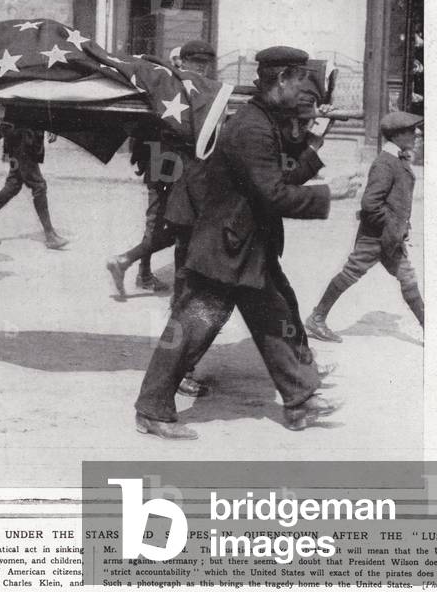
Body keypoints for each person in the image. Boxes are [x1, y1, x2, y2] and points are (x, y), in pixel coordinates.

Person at [133, 46, 347, 440]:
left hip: (245, 246)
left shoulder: (263, 120)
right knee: (193, 326)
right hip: (225, 248)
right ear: (281, 79)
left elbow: (280, 173)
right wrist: (329, 195)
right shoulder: (251, 127)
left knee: (273, 318)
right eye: (300, 81)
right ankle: (152, 408)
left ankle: (300, 401)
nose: (303, 91)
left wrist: (315, 148)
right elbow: (274, 194)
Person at [105, 40, 219, 300]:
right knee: (167, 221)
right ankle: (147, 275)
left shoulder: (187, 87)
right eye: (196, 63)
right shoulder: (166, 84)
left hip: (171, 161)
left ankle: (140, 270)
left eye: (205, 64)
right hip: (165, 159)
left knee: (173, 223)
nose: (201, 69)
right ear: (182, 62)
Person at [305, 111, 425, 342]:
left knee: (407, 278)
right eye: (411, 131)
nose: (417, 133)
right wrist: (392, 225)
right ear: (397, 136)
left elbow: (396, 202)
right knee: (351, 273)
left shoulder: (397, 159)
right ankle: (317, 319)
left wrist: (399, 227)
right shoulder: (385, 163)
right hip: (375, 238)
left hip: (390, 238)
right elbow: (370, 204)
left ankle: (431, 329)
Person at [0, 124, 69, 250]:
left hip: (23, 140)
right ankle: (50, 235)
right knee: (39, 186)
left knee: (13, 185)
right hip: (22, 141)